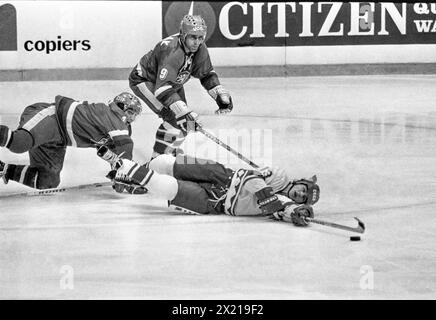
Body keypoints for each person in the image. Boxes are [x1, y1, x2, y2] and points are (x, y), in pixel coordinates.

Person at [101, 151, 320, 226]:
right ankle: (134, 177)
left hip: (214, 203)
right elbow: (253, 178)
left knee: (169, 188)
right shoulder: (279, 176)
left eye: (303, 198)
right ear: (300, 182)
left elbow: (289, 212)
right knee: (165, 162)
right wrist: (265, 195)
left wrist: (299, 213)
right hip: (220, 175)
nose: (299, 194)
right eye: (303, 189)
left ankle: (125, 167)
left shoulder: (283, 205)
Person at [129, 14, 233, 159]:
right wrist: (183, 111)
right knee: (175, 119)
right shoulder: (172, 51)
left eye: (200, 37)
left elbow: (206, 74)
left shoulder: (200, 48)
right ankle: (158, 160)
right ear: (183, 35)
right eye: (192, 37)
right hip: (146, 81)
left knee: (185, 125)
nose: (197, 42)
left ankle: (168, 151)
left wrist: (219, 94)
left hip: (172, 83)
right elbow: (161, 89)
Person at [0, 92, 142, 190]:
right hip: (52, 118)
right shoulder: (109, 114)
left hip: (59, 140)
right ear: (120, 107)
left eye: (135, 115)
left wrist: (118, 173)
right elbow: (126, 146)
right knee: (19, 143)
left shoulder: (118, 128)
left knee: (47, 181)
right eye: (130, 112)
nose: (132, 119)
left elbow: (115, 157)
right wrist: (127, 175)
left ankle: (3, 169)